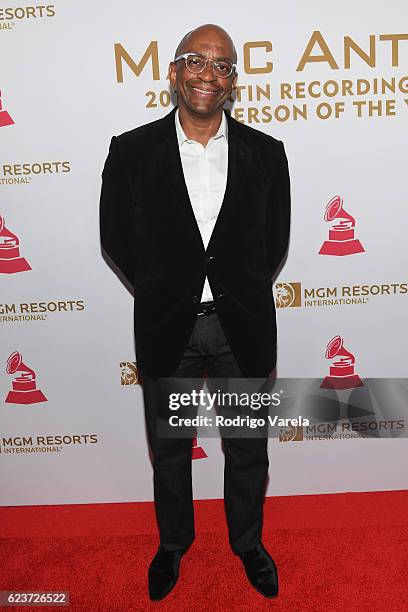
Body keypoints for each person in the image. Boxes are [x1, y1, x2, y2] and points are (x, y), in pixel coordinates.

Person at [99, 23, 290, 601]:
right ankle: (173, 544)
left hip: (242, 331)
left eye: (224, 65)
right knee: (172, 448)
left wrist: (238, 288)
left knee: (248, 446)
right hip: (168, 329)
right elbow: (115, 237)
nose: (210, 73)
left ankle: (248, 544)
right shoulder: (130, 150)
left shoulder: (266, 152)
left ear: (234, 82)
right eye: (197, 61)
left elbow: (272, 243)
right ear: (175, 72)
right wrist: (164, 292)